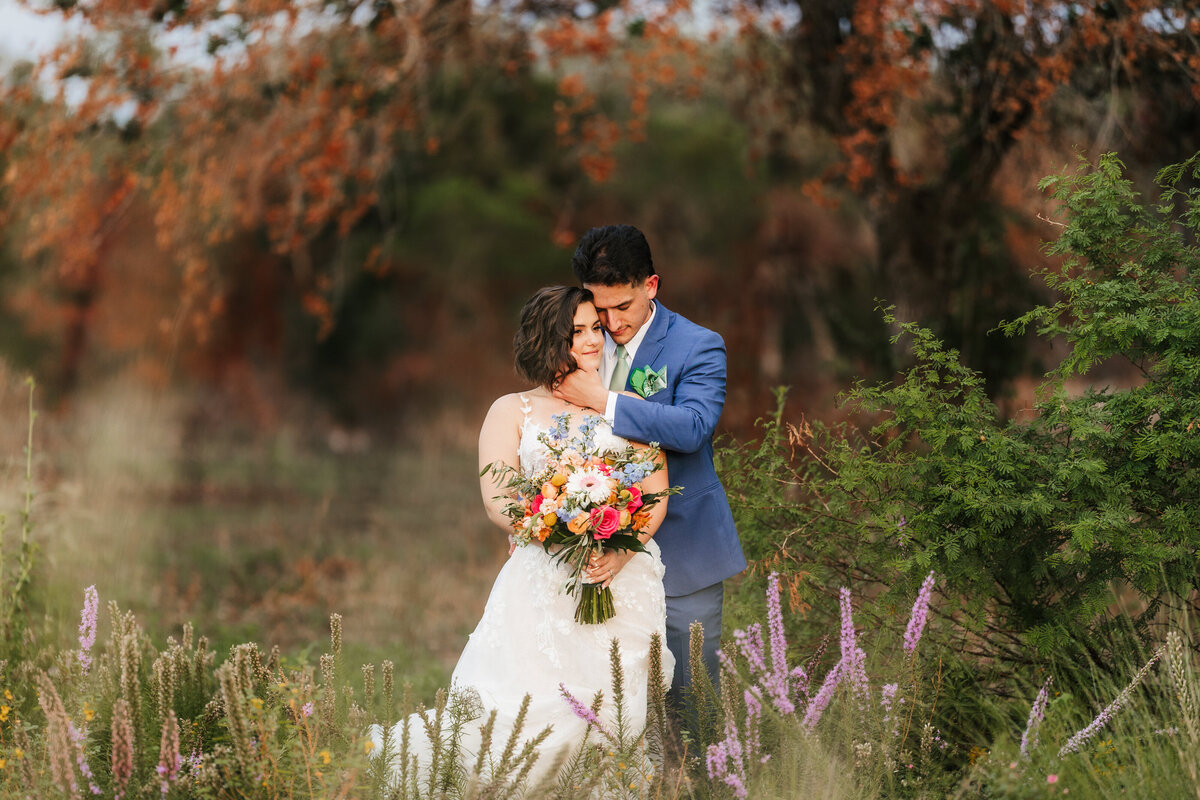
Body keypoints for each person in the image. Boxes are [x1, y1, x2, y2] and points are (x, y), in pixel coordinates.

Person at [370, 285, 675, 786]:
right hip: (544, 578)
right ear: (548, 341)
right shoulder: (511, 411)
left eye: (595, 328)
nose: (593, 340)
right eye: (577, 332)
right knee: (530, 710)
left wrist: (618, 553)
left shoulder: (628, 406)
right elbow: (498, 498)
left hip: (623, 580)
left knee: (614, 713)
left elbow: (656, 493)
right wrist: (561, 536)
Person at [554, 224, 746, 700]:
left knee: (692, 695)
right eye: (600, 309)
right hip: (594, 554)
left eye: (624, 306)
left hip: (685, 547)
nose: (612, 323)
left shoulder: (697, 345)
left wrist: (605, 401)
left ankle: (699, 777)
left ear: (651, 286)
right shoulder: (576, 343)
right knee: (609, 696)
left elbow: (694, 427)